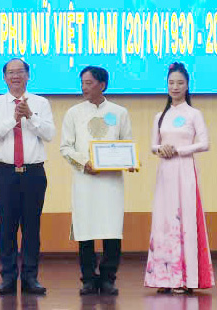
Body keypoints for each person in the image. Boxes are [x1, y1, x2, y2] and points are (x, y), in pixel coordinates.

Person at [60, 66, 134, 296]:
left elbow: (127, 144)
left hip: (111, 183)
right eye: (82, 83)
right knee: (86, 230)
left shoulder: (119, 112)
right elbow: (65, 148)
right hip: (85, 181)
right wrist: (84, 163)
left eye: (89, 83)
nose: (84, 87)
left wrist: (130, 161)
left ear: (102, 85)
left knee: (112, 230)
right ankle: (89, 279)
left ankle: (108, 278)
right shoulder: (73, 113)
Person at [0, 58, 54, 296]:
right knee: (7, 228)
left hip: (33, 173)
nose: (16, 76)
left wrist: (30, 116)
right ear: (4, 77)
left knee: (32, 228)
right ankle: (8, 278)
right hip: (5, 173)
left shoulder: (41, 103)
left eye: (20, 72)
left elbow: (49, 134)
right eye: (11, 73)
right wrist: (13, 118)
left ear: (28, 75)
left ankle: (31, 278)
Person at [145, 63, 215, 294]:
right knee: (163, 221)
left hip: (184, 170)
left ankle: (185, 278)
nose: (175, 87)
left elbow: (204, 144)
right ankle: (163, 278)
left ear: (187, 86)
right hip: (165, 172)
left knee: (184, 220)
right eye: (171, 83)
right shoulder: (160, 116)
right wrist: (161, 149)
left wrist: (178, 150)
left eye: (180, 83)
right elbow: (153, 146)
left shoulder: (194, 114)